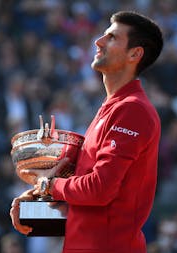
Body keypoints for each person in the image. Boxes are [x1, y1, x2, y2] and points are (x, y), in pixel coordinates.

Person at [10, 10, 163, 253]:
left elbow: (100, 189)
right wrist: (41, 200)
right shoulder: (111, 108)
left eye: (112, 38)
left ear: (135, 54)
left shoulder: (133, 110)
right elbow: (94, 202)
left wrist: (50, 185)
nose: (98, 41)